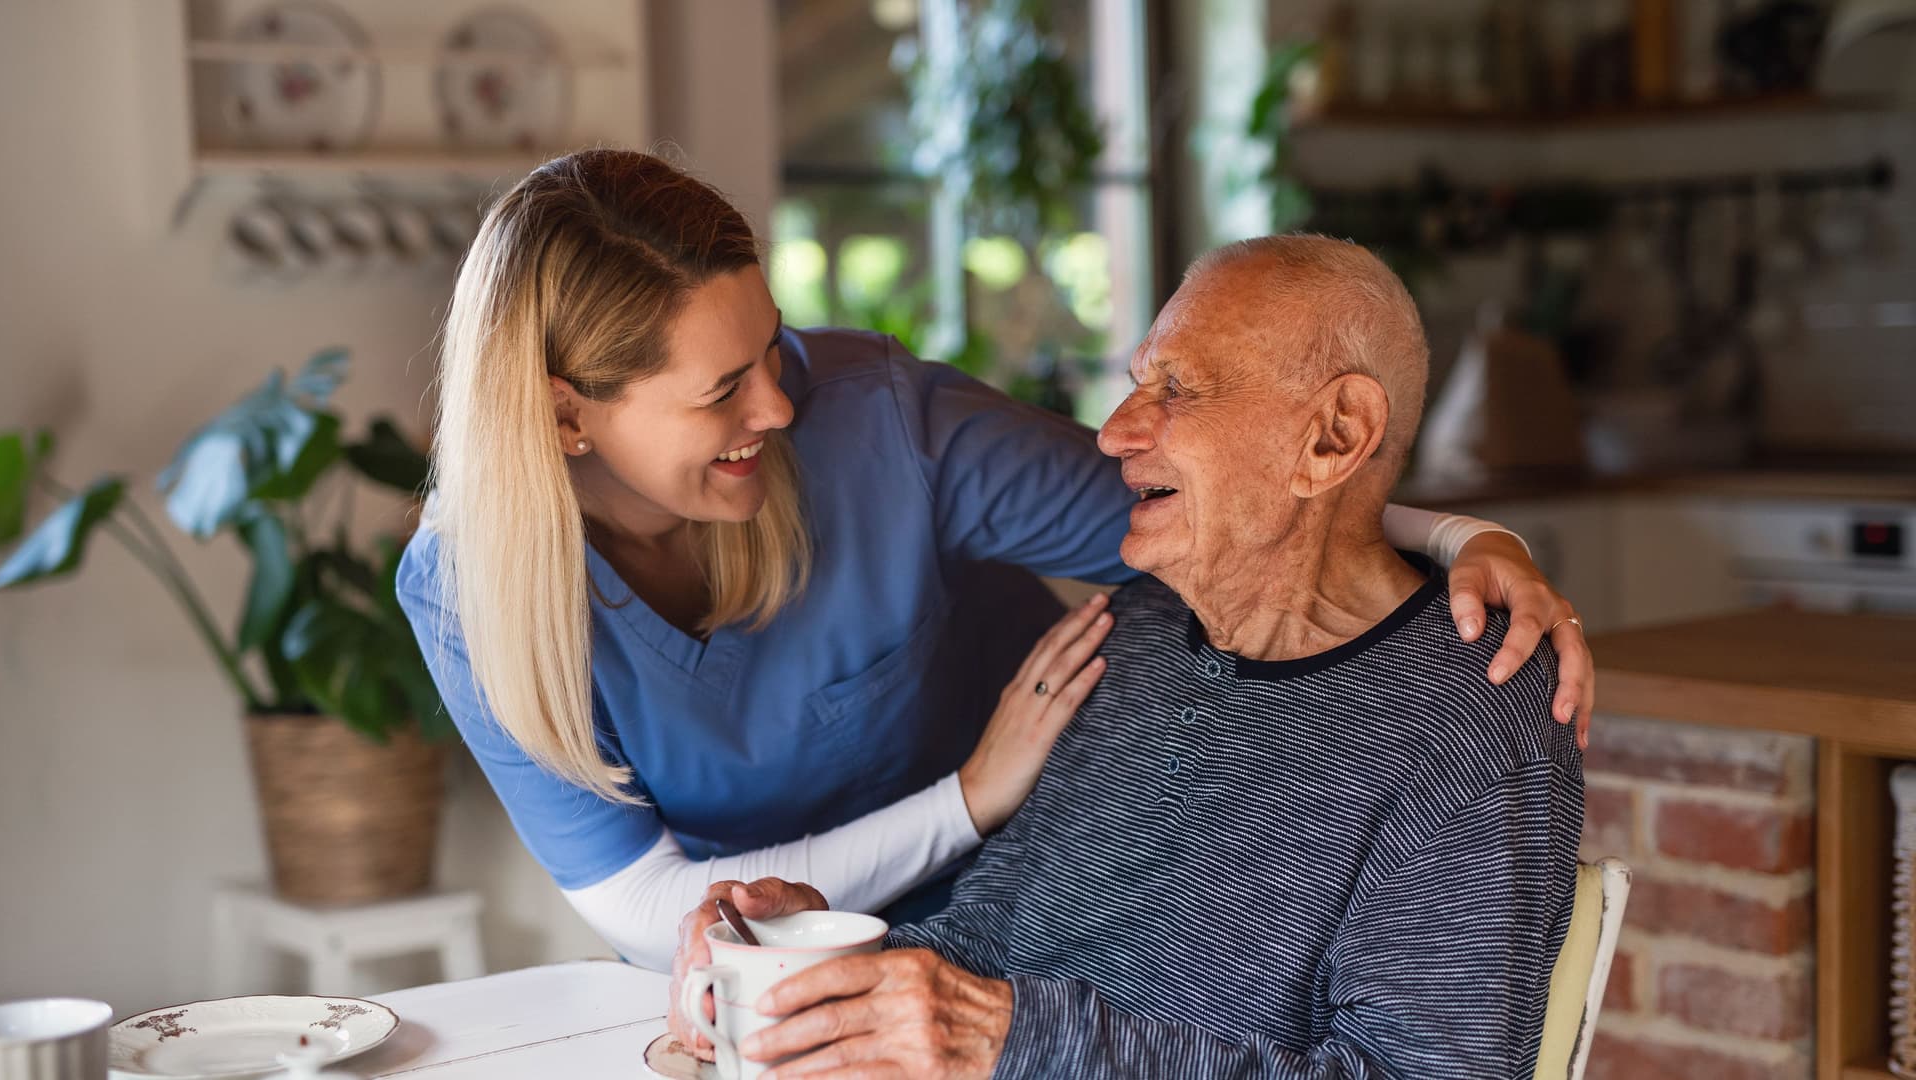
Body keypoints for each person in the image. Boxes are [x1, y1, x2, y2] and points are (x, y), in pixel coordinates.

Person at [395, 150, 1596, 975]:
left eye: (772, 346)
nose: (779, 402)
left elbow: (1227, 505)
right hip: (773, 965)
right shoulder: (467, 589)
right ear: (566, 416)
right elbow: (650, 915)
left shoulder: (881, 426)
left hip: (1030, 932)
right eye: (722, 390)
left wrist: (1466, 538)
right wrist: (969, 796)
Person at [672, 236, 1585, 1080]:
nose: (1114, 432)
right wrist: (818, 966)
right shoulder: (1135, 629)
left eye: (1177, 390)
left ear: (1334, 437)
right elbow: (989, 945)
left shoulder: (1469, 712)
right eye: (1137, 383)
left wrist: (1014, 1042)